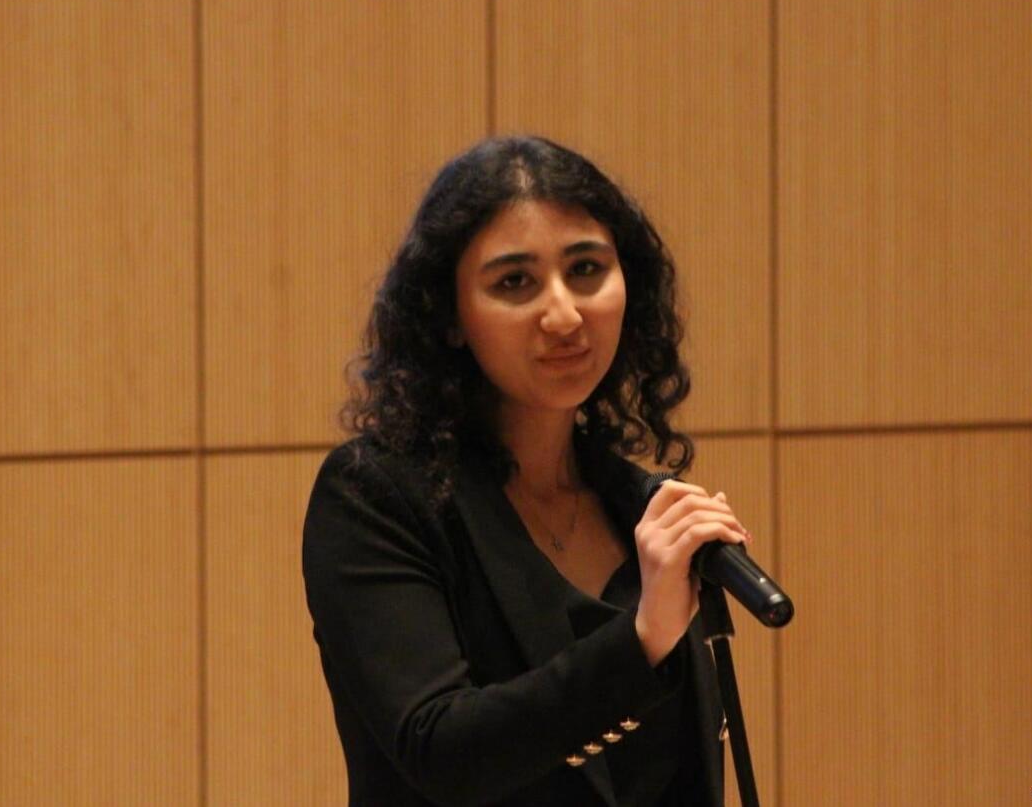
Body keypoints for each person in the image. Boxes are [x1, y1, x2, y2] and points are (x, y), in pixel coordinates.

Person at [302, 136, 750, 807]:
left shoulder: (641, 508)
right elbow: (441, 749)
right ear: (450, 317)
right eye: (515, 282)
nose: (565, 315)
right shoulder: (376, 495)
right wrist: (640, 642)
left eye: (587, 269)